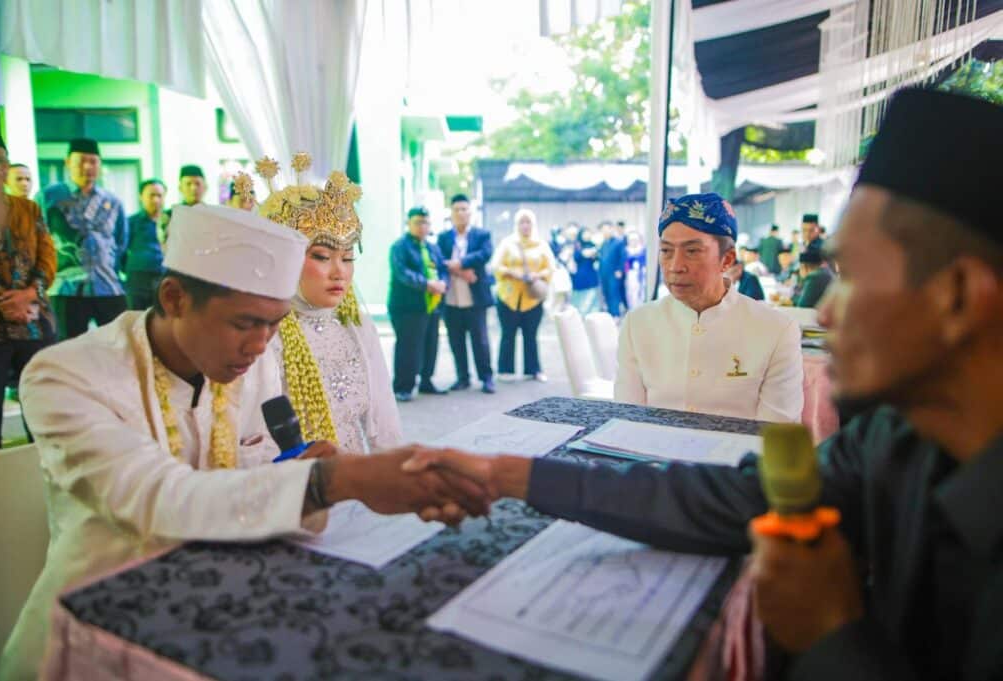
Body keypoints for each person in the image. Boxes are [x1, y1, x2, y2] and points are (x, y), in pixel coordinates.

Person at [406, 88, 1003, 681]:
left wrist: (829, 636)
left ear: (956, 298)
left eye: (857, 278)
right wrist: (513, 475)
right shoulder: (891, 440)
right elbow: (726, 498)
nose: (825, 314)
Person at [1, 203, 492, 681]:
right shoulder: (63, 375)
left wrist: (300, 468)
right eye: (243, 323)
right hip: (96, 627)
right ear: (174, 298)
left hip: (226, 595)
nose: (260, 346)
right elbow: (155, 497)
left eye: (274, 324)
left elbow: (255, 471)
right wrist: (328, 481)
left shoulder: (253, 363)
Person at [614, 192, 803, 422]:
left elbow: (776, 433)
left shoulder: (776, 330)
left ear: (727, 259)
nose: (675, 266)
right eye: (666, 251)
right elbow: (626, 421)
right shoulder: (639, 324)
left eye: (692, 251)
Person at [259, 156, 402, 452]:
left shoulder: (356, 325)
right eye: (322, 257)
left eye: (348, 258)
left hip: (359, 478)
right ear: (287, 259)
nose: (340, 272)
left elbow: (385, 422)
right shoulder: (266, 335)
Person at [0, 132, 56, 453]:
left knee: (42, 403)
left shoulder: (28, 209)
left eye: (2, 160)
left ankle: (45, 469)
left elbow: (47, 258)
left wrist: (29, 294)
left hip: (32, 321)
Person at [38, 137, 128, 339]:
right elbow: (37, 240)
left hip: (107, 287)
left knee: (118, 345)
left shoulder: (112, 201)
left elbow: (121, 242)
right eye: (81, 161)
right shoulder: (50, 197)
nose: (88, 166)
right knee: (67, 349)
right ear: (68, 162)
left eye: (93, 161)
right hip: (65, 288)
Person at [436, 193, 495, 394]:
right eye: (457, 209)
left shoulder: (482, 235)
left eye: (464, 209)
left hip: (475, 298)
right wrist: (461, 272)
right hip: (451, 299)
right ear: (451, 213)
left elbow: (485, 254)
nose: (461, 213)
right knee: (456, 340)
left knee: (480, 340)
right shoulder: (443, 238)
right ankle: (463, 378)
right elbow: (439, 261)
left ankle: (486, 377)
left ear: (470, 212)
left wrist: (461, 263)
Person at [388, 206, 448, 402]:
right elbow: (403, 274)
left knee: (430, 345)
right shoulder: (399, 247)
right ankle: (403, 386)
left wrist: (442, 283)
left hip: (431, 306)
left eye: (425, 222)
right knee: (408, 346)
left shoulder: (432, 248)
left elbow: (442, 268)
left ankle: (426, 381)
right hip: (407, 307)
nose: (422, 226)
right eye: (418, 222)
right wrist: (427, 284)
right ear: (409, 224)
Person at [491, 208, 553, 382]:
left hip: (532, 298)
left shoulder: (541, 245)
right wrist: (512, 273)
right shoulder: (507, 243)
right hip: (508, 297)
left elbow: (550, 268)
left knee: (531, 335)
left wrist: (537, 275)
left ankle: (533, 369)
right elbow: (496, 266)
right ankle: (505, 370)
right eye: (522, 222)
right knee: (508, 333)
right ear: (516, 224)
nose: (525, 226)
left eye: (528, 222)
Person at [122, 178, 167, 310]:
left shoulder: (171, 221)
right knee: (137, 321)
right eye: (151, 195)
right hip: (138, 280)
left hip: (164, 279)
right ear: (141, 197)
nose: (156, 200)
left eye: (159, 196)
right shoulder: (131, 222)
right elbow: (120, 250)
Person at [598, 220, 627, 317]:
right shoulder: (603, 244)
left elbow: (623, 256)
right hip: (604, 273)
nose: (605, 232)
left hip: (614, 273)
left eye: (606, 229)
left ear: (611, 229)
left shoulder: (618, 242)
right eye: (603, 230)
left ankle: (616, 315)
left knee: (613, 293)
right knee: (606, 293)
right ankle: (610, 314)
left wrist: (620, 270)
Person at [570, 225, 600, 315]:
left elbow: (597, 259)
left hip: (591, 274)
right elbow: (576, 257)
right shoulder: (577, 245)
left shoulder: (593, 245)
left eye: (588, 233)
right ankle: (580, 316)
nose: (587, 235)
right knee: (579, 298)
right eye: (585, 233)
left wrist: (595, 255)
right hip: (579, 275)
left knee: (592, 297)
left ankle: (590, 316)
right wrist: (584, 253)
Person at [624, 229, 647, 310]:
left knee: (642, 292)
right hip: (631, 274)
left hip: (642, 273)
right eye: (631, 240)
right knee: (631, 292)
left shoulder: (643, 249)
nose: (633, 242)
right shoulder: (626, 250)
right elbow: (624, 264)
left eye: (635, 240)